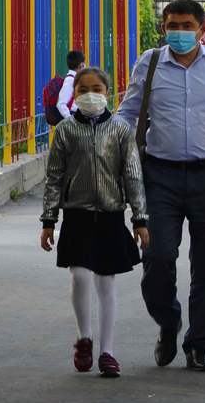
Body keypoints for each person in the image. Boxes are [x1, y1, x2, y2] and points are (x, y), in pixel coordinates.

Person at [117, 0, 205, 373]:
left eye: (186, 25)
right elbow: (128, 114)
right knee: (157, 256)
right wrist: (107, 150)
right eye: (172, 25)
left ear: (202, 29)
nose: (179, 32)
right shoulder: (148, 63)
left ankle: (199, 345)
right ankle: (168, 321)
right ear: (164, 28)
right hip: (159, 176)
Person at [40, 67, 149, 378]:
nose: (90, 94)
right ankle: (84, 338)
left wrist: (140, 218)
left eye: (97, 89)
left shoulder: (120, 129)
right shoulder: (65, 130)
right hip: (76, 214)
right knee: (80, 275)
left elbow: (133, 175)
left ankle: (107, 352)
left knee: (105, 282)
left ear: (108, 92)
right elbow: (54, 177)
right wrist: (49, 219)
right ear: (74, 95)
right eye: (83, 89)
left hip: (111, 214)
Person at [57, 50, 86, 120]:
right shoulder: (71, 80)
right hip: (73, 115)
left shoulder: (75, 79)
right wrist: (70, 120)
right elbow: (61, 103)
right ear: (82, 65)